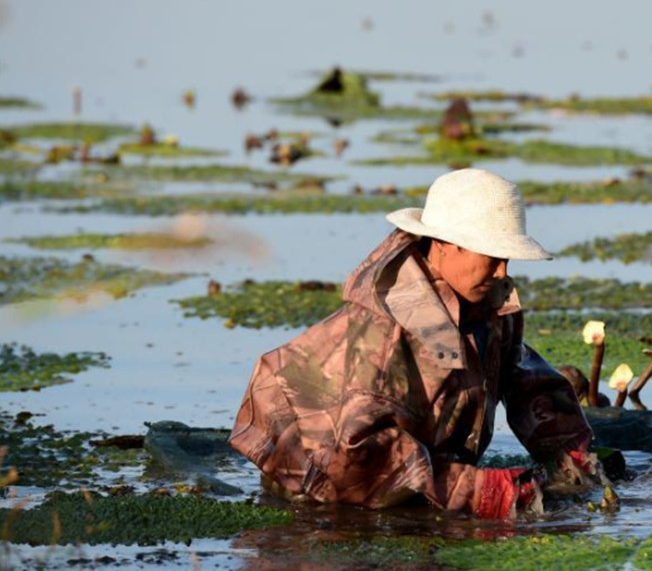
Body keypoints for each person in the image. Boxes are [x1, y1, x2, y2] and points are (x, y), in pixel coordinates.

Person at [230, 168, 602, 518]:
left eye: (507, 258)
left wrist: (573, 457)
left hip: (411, 469)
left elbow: (523, 378)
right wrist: (478, 490)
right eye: (492, 257)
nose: (503, 272)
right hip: (323, 487)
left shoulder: (489, 305)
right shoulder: (382, 328)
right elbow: (355, 458)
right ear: (442, 244)